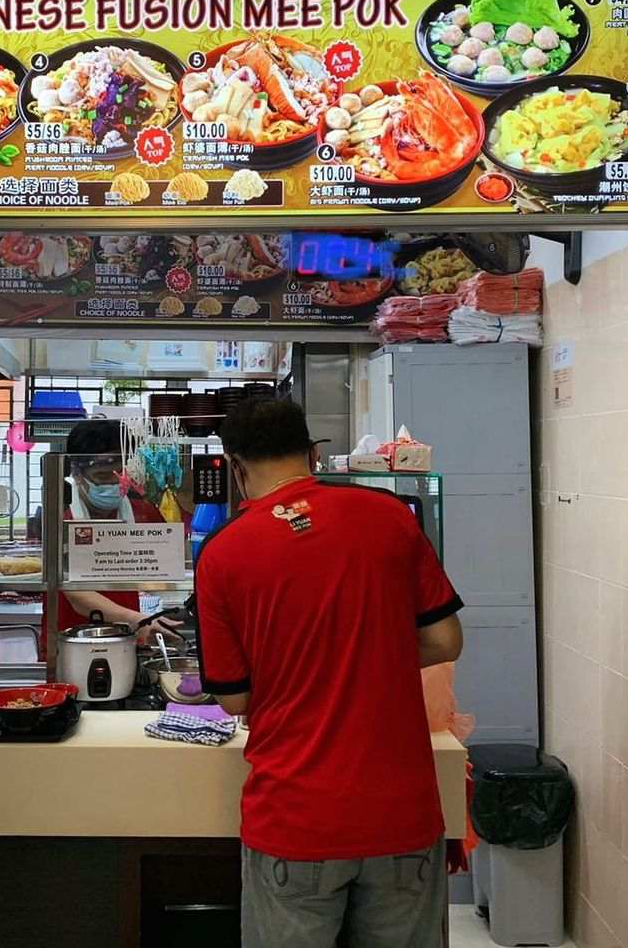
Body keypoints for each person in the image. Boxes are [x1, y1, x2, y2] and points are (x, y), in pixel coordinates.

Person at [195, 398, 464, 948]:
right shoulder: (390, 516)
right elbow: (444, 639)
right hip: (401, 815)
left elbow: (234, 698)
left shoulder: (222, 554)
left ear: (236, 466)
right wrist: (371, 651)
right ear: (313, 455)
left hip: (295, 819)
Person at [44, 420, 184, 646]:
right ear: (77, 473)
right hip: (69, 644)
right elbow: (77, 595)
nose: (113, 482)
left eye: (119, 473)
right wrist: (137, 619)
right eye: (102, 475)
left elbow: (167, 567)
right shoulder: (61, 521)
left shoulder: (144, 514)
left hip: (127, 640)